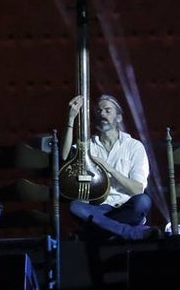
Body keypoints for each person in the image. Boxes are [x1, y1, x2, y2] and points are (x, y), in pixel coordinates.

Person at [62, 93, 154, 241]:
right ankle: (128, 232)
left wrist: (108, 168)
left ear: (119, 118)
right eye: (99, 111)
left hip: (125, 207)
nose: (102, 114)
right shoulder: (89, 145)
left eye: (107, 110)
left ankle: (92, 232)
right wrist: (71, 118)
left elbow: (137, 189)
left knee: (143, 201)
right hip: (99, 209)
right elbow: (64, 157)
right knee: (75, 207)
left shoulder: (134, 146)